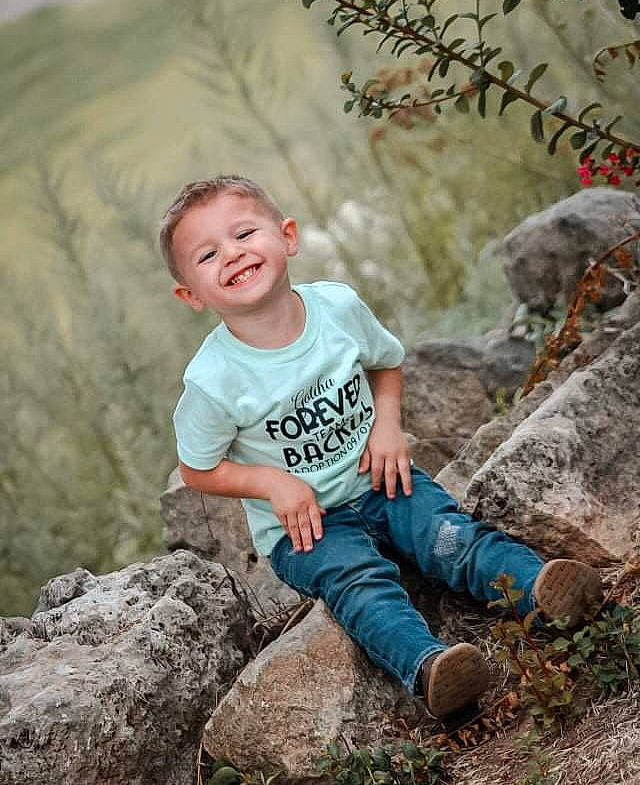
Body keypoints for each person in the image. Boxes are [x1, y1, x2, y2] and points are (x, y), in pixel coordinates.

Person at [159, 175, 603, 722]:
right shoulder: (212, 380)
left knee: (449, 537)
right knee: (360, 583)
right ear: (191, 295)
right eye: (208, 255)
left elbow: (385, 364)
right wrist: (271, 482)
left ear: (288, 237)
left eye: (245, 232)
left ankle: (540, 592)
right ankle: (432, 669)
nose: (233, 254)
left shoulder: (337, 309)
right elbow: (198, 468)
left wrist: (387, 425)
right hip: (308, 528)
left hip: (380, 478)